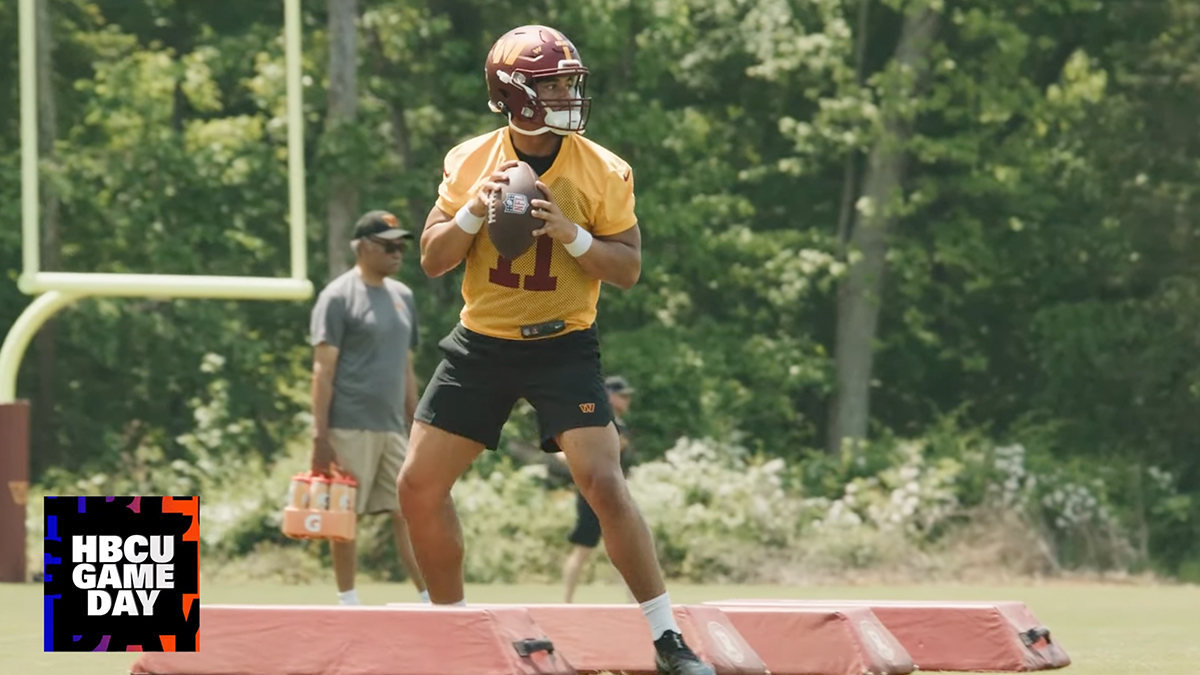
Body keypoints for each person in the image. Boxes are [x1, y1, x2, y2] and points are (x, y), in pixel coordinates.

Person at [396, 25, 715, 675]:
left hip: (562, 343)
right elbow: (431, 258)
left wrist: (570, 233)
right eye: (554, 84)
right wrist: (469, 216)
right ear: (514, 94)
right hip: (481, 342)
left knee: (603, 481)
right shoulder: (469, 160)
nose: (569, 93)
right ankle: (452, 633)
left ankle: (667, 636)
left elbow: (626, 268)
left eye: (569, 81)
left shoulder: (602, 168)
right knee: (418, 487)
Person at [309, 210, 429, 606]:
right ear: (362, 247)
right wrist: (320, 436)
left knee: (407, 511)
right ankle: (348, 601)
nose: (397, 252)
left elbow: (406, 367)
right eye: (388, 245)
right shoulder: (338, 296)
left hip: (393, 426)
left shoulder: (403, 297)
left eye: (401, 245)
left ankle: (430, 597)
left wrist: (417, 423)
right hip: (350, 425)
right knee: (346, 516)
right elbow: (323, 372)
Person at [562, 375, 637, 603]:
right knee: (585, 548)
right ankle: (565, 602)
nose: (627, 400)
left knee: (626, 547)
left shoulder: (611, 423)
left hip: (611, 493)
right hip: (595, 493)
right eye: (622, 396)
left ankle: (633, 600)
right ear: (610, 395)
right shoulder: (600, 422)